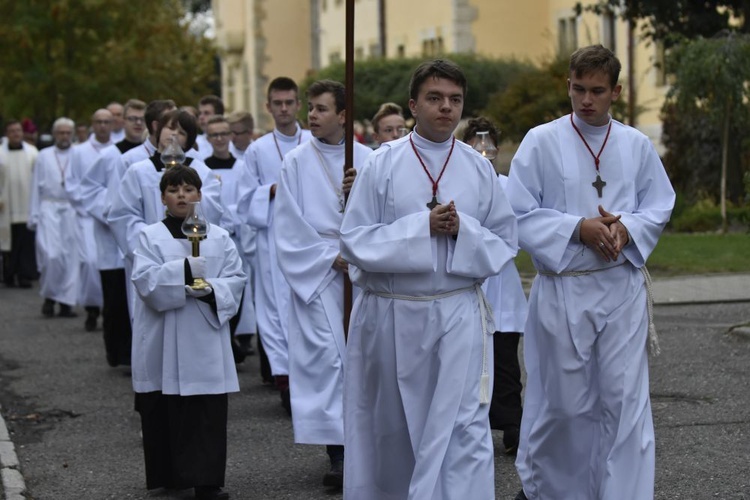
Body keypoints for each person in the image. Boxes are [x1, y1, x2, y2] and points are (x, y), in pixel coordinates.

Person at [339, 59, 518, 500]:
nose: (446, 108)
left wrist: (463, 230)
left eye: (455, 100)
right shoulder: (382, 165)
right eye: (435, 99)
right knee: (394, 432)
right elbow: (354, 241)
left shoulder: (479, 169)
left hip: (457, 314)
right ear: (413, 105)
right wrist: (422, 228)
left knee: (463, 432)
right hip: (393, 314)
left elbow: (504, 241)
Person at [505, 45, 675, 500]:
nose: (586, 100)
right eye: (578, 89)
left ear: (615, 91)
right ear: (568, 85)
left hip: (619, 289)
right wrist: (577, 228)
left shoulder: (636, 145)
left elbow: (658, 205)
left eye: (597, 91)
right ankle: (555, 491)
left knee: (623, 403)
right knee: (564, 405)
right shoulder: (541, 141)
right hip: (563, 289)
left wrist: (627, 230)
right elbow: (517, 213)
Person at [273, 79, 371, 488]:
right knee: (330, 362)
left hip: (362, 272)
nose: (310, 115)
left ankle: (366, 448)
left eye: (321, 109)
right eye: (310, 107)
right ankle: (337, 452)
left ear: (344, 115)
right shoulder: (296, 162)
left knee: (363, 363)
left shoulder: (370, 159)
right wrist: (329, 258)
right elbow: (288, 225)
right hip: (319, 272)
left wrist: (361, 190)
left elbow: (389, 212)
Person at [131, 165, 244, 500]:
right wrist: (182, 270)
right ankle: (170, 476)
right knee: (167, 408)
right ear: (163, 197)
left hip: (204, 337)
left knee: (205, 411)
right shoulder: (150, 236)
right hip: (164, 336)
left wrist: (210, 290)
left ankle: (208, 480)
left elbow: (236, 280)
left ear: (199, 194)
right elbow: (144, 281)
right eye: (174, 189)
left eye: (188, 189)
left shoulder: (220, 237)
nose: (182, 195)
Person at [237, 76, 312, 403]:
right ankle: (285, 380)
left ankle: (312, 375)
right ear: (268, 107)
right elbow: (242, 199)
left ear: (298, 105)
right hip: (273, 240)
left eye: (289, 102)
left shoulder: (313, 141)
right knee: (276, 308)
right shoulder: (257, 150)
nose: (284, 109)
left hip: (311, 237)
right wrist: (269, 191)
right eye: (277, 104)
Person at [108, 109, 224, 320]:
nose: (173, 135)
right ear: (157, 130)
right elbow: (123, 215)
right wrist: (152, 243)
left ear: (188, 140)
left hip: (190, 252)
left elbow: (213, 211)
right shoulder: (139, 171)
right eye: (170, 128)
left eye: (181, 132)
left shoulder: (200, 170)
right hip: (151, 256)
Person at [463, 116, 528, 456]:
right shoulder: (459, 184)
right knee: (470, 359)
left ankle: (513, 424)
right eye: (477, 143)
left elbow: (518, 227)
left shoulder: (508, 185)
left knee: (504, 357)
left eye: (488, 144)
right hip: (469, 280)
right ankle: (472, 426)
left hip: (501, 283)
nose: (483, 149)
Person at [79, 99, 147, 366]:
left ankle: (139, 352)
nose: (137, 123)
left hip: (139, 237)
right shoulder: (110, 155)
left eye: (142, 119)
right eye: (132, 118)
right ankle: (117, 353)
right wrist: (109, 213)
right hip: (111, 239)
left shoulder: (148, 155)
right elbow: (89, 189)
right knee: (116, 300)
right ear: (123, 121)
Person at [204, 114, 257, 357]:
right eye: (214, 135)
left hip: (238, 237)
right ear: (208, 137)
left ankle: (236, 338)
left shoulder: (243, 166)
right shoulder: (202, 169)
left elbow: (248, 201)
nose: (220, 139)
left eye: (224, 134)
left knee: (238, 290)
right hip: (211, 238)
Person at [66, 108, 114, 331]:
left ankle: (109, 308)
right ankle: (92, 306)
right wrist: (90, 206)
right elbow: (73, 183)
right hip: (87, 216)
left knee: (112, 263)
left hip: (114, 217)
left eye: (107, 122)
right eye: (99, 122)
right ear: (92, 124)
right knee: (90, 262)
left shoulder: (118, 150)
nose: (103, 126)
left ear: (112, 124)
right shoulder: (79, 151)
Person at [27, 118, 79, 318]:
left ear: (72, 134)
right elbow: (35, 188)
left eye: (68, 133)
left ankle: (66, 302)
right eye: (61, 133)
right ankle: (49, 296)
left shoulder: (78, 154)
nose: (64, 136)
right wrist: (34, 214)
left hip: (71, 209)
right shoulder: (43, 155)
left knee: (70, 257)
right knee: (51, 255)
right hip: (49, 207)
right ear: (54, 134)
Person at [0, 119, 39, 288]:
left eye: (18, 130)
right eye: (12, 131)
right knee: (9, 242)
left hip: (27, 203)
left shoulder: (32, 152)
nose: (16, 133)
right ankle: (9, 274)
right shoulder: (0, 152)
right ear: (7, 134)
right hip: (6, 204)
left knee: (26, 242)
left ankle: (25, 275)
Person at [196, 95, 225, 159]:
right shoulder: (195, 143)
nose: (201, 117)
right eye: (200, 113)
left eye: (206, 113)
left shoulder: (230, 143)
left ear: (218, 116)